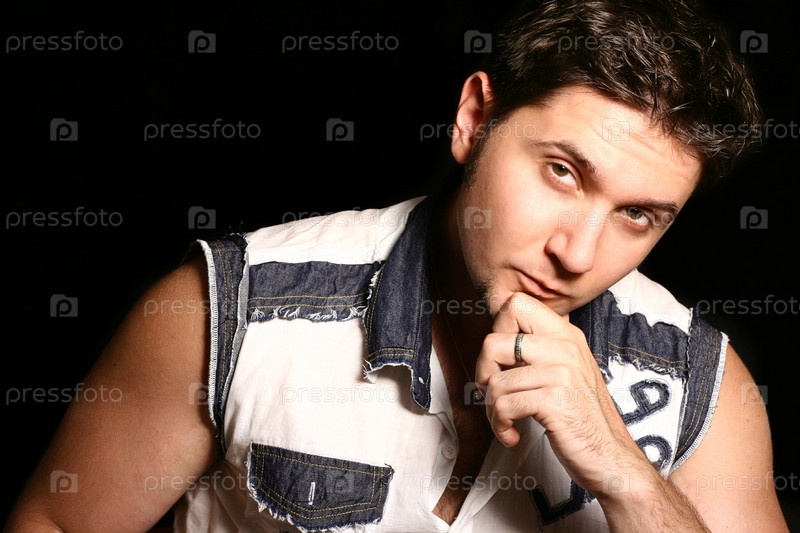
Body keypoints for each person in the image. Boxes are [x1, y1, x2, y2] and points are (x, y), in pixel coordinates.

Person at [5, 0, 790, 531]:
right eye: (561, 171)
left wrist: (624, 472)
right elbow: (55, 520)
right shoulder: (235, 307)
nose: (578, 253)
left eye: (637, 215)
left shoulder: (701, 384)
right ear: (475, 119)